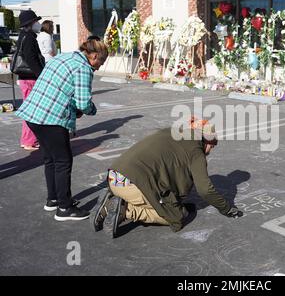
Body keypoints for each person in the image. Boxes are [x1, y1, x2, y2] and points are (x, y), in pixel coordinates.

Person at [91, 118, 243, 238]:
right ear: (205, 140)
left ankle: (112, 199)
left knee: (166, 199)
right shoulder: (196, 151)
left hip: (114, 177)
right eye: (212, 144)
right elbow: (205, 189)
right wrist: (227, 209)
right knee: (176, 216)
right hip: (132, 185)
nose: (211, 149)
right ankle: (126, 210)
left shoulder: (169, 132)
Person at [15, 39, 108, 221]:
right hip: (51, 118)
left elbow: (63, 89)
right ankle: (64, 208)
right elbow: (83, 101)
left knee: (51, 158)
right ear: (94, 56)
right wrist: (91, 109)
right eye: (101, 63)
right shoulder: (83, 68)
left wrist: (75, 108)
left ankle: (53, 199)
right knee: (63, 161)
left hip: (33, 114)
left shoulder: (63, 57)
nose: (99, 67)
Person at [16, 10, 45, 151]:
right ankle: (28, 141)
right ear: (30, 23)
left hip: (26, 78)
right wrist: (42, 76)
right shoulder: (28, 38)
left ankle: (28, 139)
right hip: (30, 79)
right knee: (31, 111)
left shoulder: (24, 36)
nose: (38, 24)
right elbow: (31, 60)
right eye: (35, 21)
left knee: (30, 110)